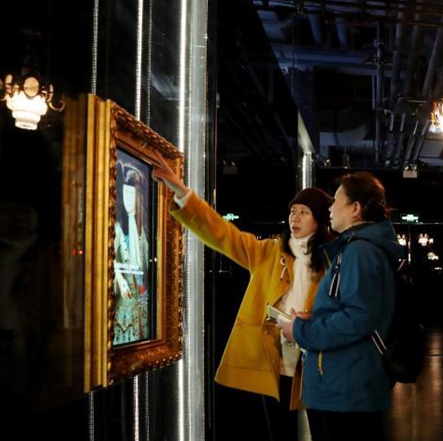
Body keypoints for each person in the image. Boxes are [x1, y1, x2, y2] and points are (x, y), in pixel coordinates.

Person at [151, 152, 333, 441]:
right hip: (271, 358)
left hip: (317, 362)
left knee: (325, 429)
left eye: (304, 212)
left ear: (320, 219)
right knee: (278, 431)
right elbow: (225, 234)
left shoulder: (330, 260)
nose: (294, 218)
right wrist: (181, 191)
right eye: (292, 211)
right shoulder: (270, 252)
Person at [281, 171, 401, 441]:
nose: (330, 208)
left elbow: (357, 319)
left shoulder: (359, 251)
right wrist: (312, 318)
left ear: (355, 209)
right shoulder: (357, 248)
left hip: (346, 390)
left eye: (336, 201)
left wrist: (301, 331)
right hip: (347, 385)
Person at [113, 162, 151, 345]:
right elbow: (109, 258)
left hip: (142, 294)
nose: (129, 200)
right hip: (126, 296)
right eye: (125, 194)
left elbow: (145, 261)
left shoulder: (141, 230)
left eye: (132, 195)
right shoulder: (118, 229)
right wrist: (119, 279)